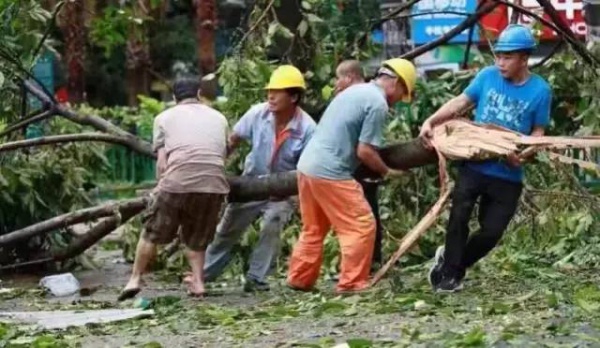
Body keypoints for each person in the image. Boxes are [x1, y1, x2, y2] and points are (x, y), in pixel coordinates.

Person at [422, 24, 552, 293]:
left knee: (491, 233)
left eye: (507, 57)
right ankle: (449, 277)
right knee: (458, 217)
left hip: (508, 174)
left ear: (524, 58)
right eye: (499, 56)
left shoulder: (541, 90)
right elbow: (460, 102)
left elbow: (538, 131)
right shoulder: (487, 76)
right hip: (475, 165)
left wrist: (527, 153)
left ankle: (453, 263)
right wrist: (432, 120)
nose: (500, 62)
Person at [287, 58, 417, 294]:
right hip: (330, 170)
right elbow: (365, 151)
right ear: (396, 82)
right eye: (402, 93)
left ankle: (299, 278)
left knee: (314, 227)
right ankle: (352, 283)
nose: (399, 99)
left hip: (307, 165)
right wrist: (388, 172)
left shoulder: (356, 90)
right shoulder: (377, 103)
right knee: (361, 224)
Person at [202, 65, 316, 292]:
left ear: (294, 96)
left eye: (277, 92)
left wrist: (297, 198)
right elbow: (233, 140)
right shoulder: (257, 113)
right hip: (251, 183)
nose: (270, 96)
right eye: (269, 91)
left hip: (283, 191)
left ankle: (256, 278)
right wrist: (216, 166)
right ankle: (202, 275)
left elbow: (308, 169)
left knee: (272, 224)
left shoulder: (307, 128)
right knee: (227, 230)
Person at [119, 77, 230, 300]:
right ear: (199, 94)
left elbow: (162, 163)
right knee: (197, 239)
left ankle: (135, 279)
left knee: (152, 233)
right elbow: (222, 156)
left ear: (174, 98)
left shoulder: (163, 118)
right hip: (214, 185)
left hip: (177, 182)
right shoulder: (219, 118)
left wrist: (160, 189)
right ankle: (198, 283)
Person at [333, 59, 384, 270]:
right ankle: (364, 264)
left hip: (355, 165)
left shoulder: (363, 98)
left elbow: (364, 146)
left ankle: (362, 266)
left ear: (350, 77)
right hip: (351, 164)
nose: (336, 83)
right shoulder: (360, 97)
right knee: (364, 217)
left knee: (362, 218)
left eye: (339, 78)